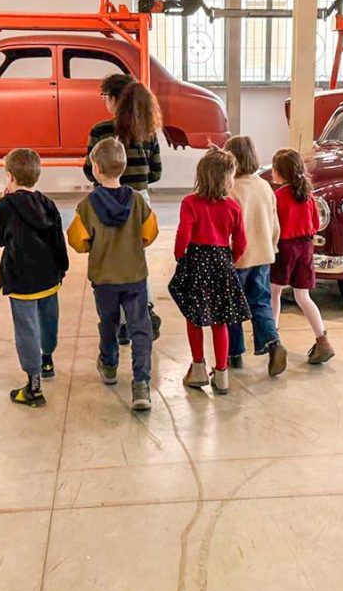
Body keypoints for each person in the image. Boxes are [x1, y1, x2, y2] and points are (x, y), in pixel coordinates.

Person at [68, 137, 160, 411]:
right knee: (140, 328)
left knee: (108, 322)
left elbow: (77, 240)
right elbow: (150, 233)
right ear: (123, 167)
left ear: (96, 169)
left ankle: (109, 365)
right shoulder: (137, 201)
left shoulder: (87, 205)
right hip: (134, 276)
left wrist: (93, 246)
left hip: (104, 278)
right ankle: (141, 384)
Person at [83, 74, 163, 343]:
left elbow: (89, 170)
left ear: (114, 99)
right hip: (140, 199)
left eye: (104, 97)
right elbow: (156, 173)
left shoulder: (100, 131)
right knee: (136, 258)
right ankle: (143, 310)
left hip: (105, 199)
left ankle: (118, 323)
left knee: (109, 258)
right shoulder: (148, 131)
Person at [0, 148, 69, 408]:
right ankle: (47, 360)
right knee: (48, 321)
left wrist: (2, 203)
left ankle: (34, 387)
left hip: (21, 280)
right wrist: (62, 269)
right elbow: (58, 240)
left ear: (10, 177)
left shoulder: (4, 206)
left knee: (27, 330)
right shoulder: (48, 204)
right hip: (49, 278)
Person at [169, 148, 250, 395]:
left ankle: (198, 369)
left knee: (194, 317)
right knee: (220, 320)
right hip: (222, 263)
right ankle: (222, 374)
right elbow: (242, 242)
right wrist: (230, 260)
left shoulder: (190, 203)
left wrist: (180, 256)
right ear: (227, 178)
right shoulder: (233, 207)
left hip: (196, 262)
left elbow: (183, 235)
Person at [224, 136, 289, 377]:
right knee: (261, 302)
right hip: (263, 255)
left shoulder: (230, 189)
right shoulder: (265, 187)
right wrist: (272, 247)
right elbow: (275, 224)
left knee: (232, 306)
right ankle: (273, 343)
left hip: (238, 258)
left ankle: (234, 353)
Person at [270, 148, 335, 365]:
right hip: (306, 247)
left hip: (284, 248)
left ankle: (273, 341)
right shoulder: (308, 195)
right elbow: (315, 225)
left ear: (280, 172)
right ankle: (322, 340)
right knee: (303, 296)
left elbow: (274, 226)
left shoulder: (278, 196)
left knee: (274, 292)